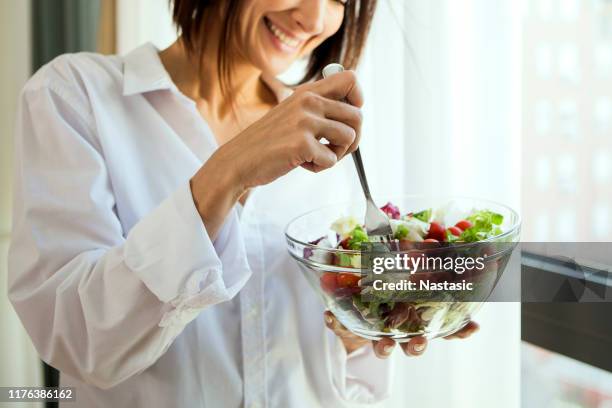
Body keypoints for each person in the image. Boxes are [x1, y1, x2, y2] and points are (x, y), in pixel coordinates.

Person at [8, 0, 478, 406]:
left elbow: (336, 374)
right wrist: (227, 172)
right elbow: (73, 336)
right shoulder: (75, 95)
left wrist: (363, 328)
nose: (314, 16)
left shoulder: (325, 135)